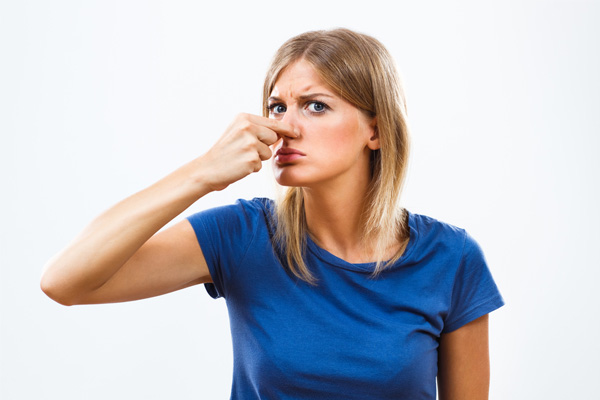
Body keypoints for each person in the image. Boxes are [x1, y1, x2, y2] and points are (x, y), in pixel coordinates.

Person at [41, 28, 504, 399]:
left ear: (376, 131)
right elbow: (65, 280)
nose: (285, 126)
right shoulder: (243, 235)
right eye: (277, 106)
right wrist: (203, 173)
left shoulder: (452, 259)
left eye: (315, 106)